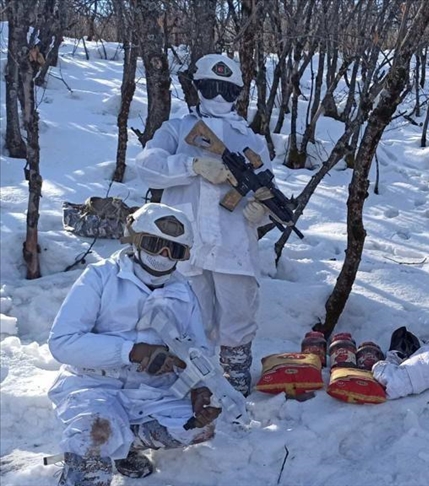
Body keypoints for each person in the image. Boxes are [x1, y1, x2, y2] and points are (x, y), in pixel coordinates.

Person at [48, 203, 221, 485]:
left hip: (151, 390)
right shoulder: (101, 277)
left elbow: (197, 348)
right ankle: (89, 460)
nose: (163, 256)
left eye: (174, 250)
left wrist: (199, 387)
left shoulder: (182, 291)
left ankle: (125, 445)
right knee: (94, 438)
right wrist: (130, 352)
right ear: (135, 240)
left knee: (197, 427)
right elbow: (62, 343)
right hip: (94, 384)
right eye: (155, 245)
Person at [136, 54, 274, 396]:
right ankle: (194, 382)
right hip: (187, 243)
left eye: (227, 90)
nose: (219, 96)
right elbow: (146, 165)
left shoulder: (252, 140)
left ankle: (235, 379)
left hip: (234, 244)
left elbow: (267, 188)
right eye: (211, 87)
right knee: (190, 317)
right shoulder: (177, 130)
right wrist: (192, 164)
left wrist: (263, 212)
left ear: (238, 93)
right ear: (197, 87)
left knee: (238, 313)